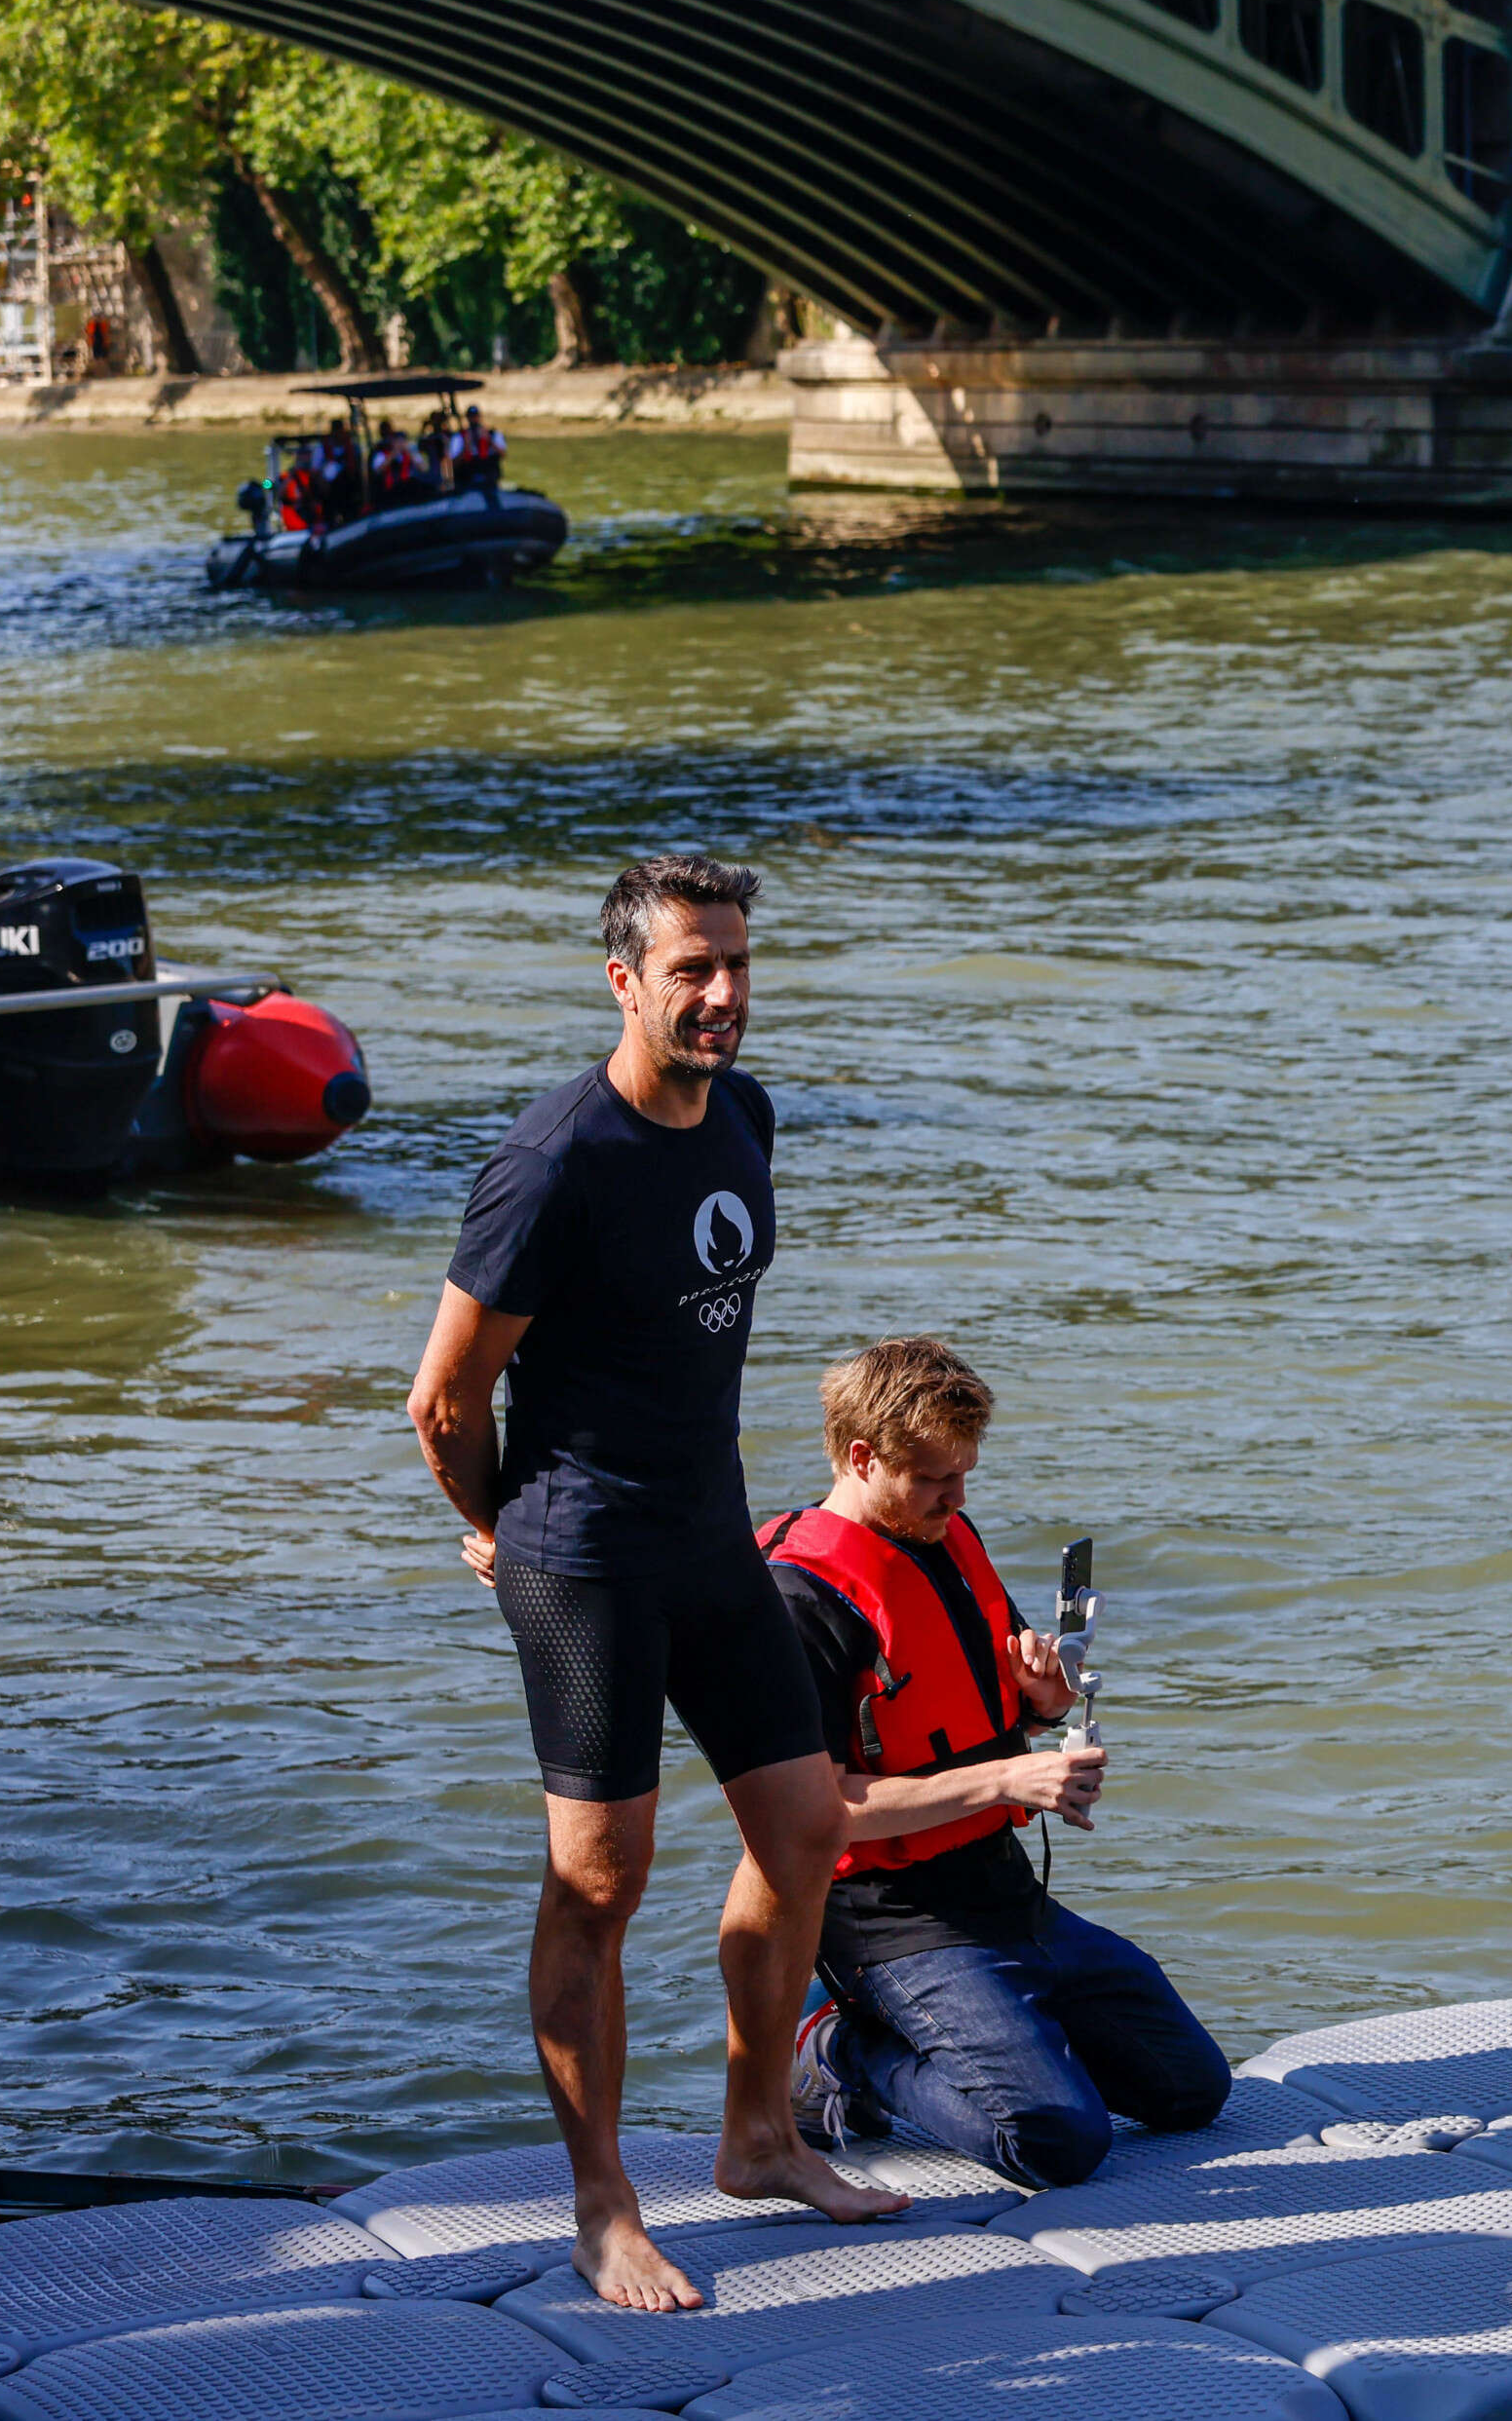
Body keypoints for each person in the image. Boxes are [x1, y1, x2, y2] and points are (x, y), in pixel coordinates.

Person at [408, 855, 903, 2313]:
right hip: (584, 1561)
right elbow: (443, 1399)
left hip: (708, 1533)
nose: (724, 995)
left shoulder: (745, 1114)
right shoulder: (554, 1164)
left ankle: (757, 2136)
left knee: (805, 1826)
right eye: (692, 969)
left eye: (737, 964)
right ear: (623, 979)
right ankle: (604, 2204)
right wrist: (502, 1529)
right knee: (599, 1882)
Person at [771, 1339, 1231, 2186]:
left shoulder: (943, 1533)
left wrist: (1042, 1700)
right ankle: (836, 2047)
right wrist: (1012, 1780)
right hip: (893, 1925)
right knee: (1057, 2143)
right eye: (937, 1479)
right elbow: (819, 1810)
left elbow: (985, 1708)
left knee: (1191, 2090)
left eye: (965, 1474)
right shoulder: (796, 1598)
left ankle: (1006, 2031)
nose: (959, 1496)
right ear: (862, 1457)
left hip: (1005, 1894)